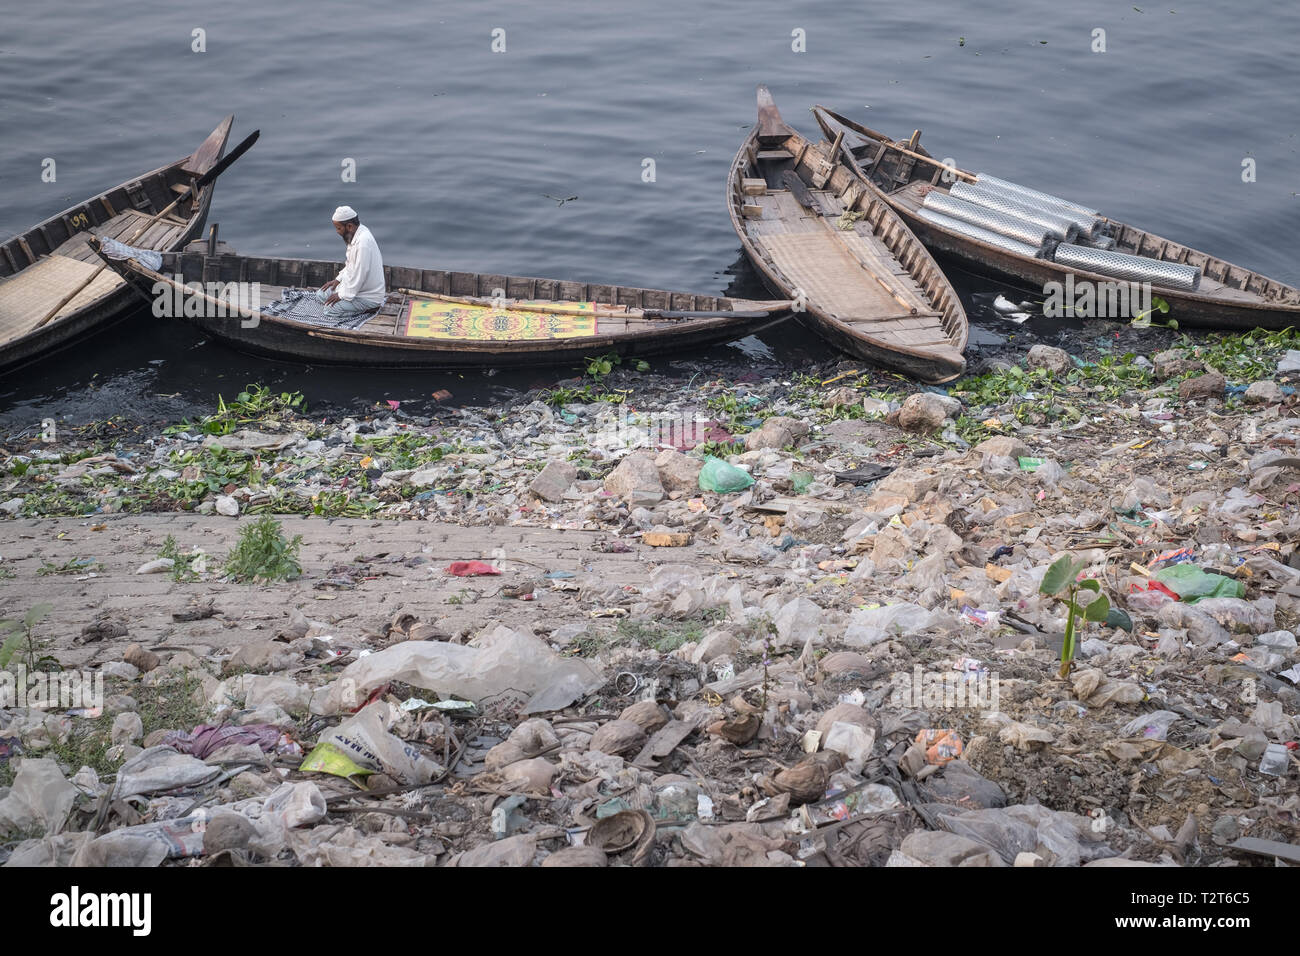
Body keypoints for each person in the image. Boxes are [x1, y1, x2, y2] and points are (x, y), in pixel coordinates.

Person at [316, 206, 385, 318]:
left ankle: (370, 308)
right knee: (320, 295)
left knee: (328, 310)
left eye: (338, 228)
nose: (337, 232)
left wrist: (342, 295)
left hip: (367, 297)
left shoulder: (363, 243)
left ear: (349, 226)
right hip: (354, 288)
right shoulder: (355, 234)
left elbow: (360, 275)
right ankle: (347, 301)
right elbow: (350, 264)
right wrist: (338, 280)